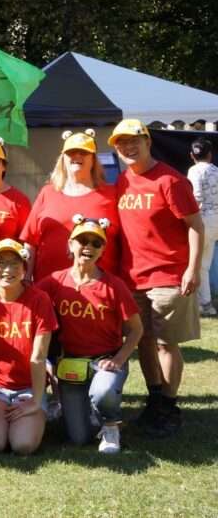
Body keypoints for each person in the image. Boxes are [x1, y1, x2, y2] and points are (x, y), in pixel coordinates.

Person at [111, 119, 203, 438]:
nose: (128, 147)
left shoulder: (171, 180)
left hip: (168, 275)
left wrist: (192, 269)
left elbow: (195, 225)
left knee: (166, 343)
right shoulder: (122, 181)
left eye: (134, 141)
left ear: (148, 142)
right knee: (143, 341)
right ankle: (153, 399)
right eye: (121, 143)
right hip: (132, 278)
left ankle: (169, 405)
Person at [37, 216, 142, 453]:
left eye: (96, 243)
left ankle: (111, 425)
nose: (89, 247)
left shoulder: (114, 286)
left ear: (103, 250)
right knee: (79, 438)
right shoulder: (56, 281)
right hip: (71, 364)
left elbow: (137, 330)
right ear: (70, 244)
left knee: (103, 392)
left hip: (105, 360)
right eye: (83, 240)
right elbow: (27, 298)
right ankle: (92, 414)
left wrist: (118, 360)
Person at [0, 239, 57, 455]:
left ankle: (38, 416)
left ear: (25, 269)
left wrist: (36, 401)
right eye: (0, 262)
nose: (7, 270)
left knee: (22, 446)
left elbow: (38, 356)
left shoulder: (40, 300)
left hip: (29, 387)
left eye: (15, 263)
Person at [20, 129, 122, 282]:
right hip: (50, 288)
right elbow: (30, 242)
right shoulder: (47, 193)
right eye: (71, 152)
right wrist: (26, 278)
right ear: (63, 159)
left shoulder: (111, 193)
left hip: (99, 289)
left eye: (83, 152)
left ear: (93, 159)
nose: (77, 156)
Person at [186, 137, 218, 316]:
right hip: (216, 221)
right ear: (210, 155)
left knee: (196, 265)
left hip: (201, 221)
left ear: (192, 155)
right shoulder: (216, 171)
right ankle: (206, 303)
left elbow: (196, 196)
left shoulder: (194, 171)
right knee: (204, 265)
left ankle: (202, 303)